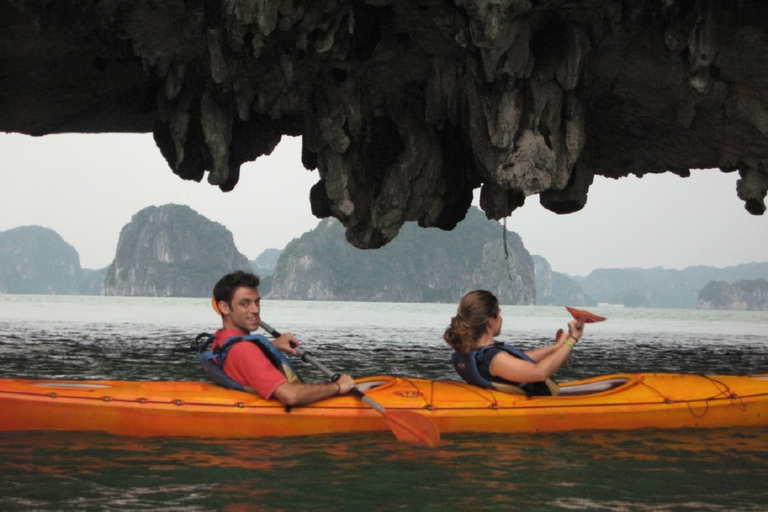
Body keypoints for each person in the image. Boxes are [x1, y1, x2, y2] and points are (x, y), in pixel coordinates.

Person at [208, 270, 356, 406]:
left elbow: (242, 361)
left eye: (257, 302)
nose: (255, 310)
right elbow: (290, 396)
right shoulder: (244, 350)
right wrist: (337, 386)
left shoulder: (220, 340)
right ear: (224, 308)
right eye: (244, 304)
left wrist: (271, 347)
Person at [444, 290, 584, 396]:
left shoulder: (472, 351)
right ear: (491, 321)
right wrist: (573, 338)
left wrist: (557, 347)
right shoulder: (492, 358)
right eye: (499, 314)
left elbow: (518, 361)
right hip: (542, 403)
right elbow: (539, 373)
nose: (501, 319)